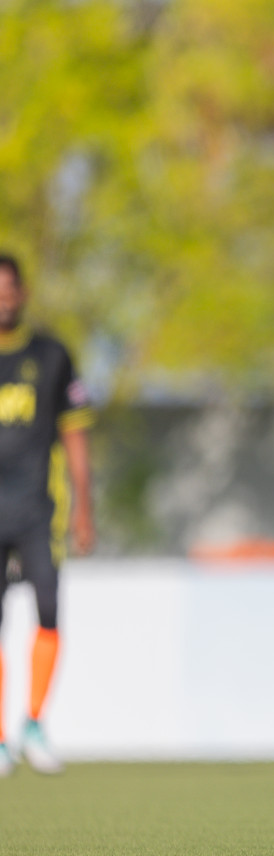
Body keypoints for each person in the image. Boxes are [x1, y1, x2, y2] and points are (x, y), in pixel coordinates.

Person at [0, 254, 94, 776]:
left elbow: (75, 435)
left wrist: (85, 509)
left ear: (23, 292)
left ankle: (34, 723)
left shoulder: (52, 355)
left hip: (39, 510)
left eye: (9, 287)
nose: (3, 297)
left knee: (49, 611)